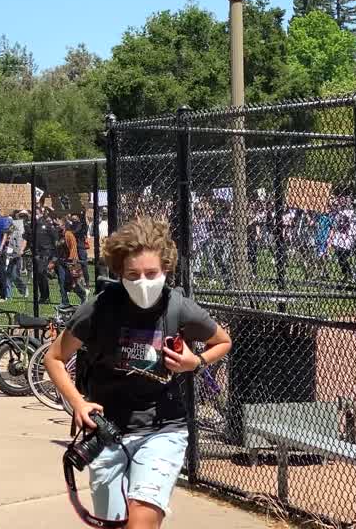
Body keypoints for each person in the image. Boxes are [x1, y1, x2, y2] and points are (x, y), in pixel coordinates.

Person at [43, 217, 232, 529]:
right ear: (119, 273)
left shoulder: (178, 306)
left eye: (151, 274)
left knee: (140, 522)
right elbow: (54, 357)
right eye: (133, 275)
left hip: (162, 428)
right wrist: (78, 402)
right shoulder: (99, 308)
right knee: (113, 523)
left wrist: (194, 362)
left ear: (166, 270)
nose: (143, 282)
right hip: (106, 430)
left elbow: (222, 341)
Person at [31, 209, 61, 305]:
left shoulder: (48, 226)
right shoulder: (34, 226)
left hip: (47, 253)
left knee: (42, 273)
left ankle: (46, 296)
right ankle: (43, 296)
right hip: (37, 254)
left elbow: (55, 242)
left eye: (37, 213)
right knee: (38, 276)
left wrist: (54, 258)